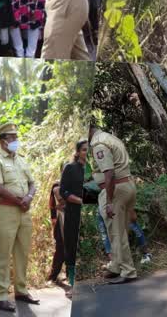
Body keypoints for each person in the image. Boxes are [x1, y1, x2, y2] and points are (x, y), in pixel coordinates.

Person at [0, 123, 39, 312]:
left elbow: (32, 183)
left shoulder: (21, 160)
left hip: (24, 211)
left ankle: (21, 291)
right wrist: (19, 201)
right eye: (12, 138)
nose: (16, 141)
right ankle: (1, 295)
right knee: (2, 254)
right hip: (5, 211)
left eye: (16, 137)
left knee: (22, 252)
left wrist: (29, 197)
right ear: (3, 141)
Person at [88, 125, 137, 284]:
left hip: (115, 190)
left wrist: (109, 201)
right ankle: (116, 266)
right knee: (119, 231)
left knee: (116, 233)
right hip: (126, 186)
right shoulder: (111, 138)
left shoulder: (99, 144)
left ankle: (127, 271)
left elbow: (109, 173)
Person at [59, 140, 87, 296]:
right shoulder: (70, 168)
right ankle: (72, 284)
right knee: (72, 248)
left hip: (89, 215)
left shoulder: (92, 170)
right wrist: (79, 200)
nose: (87, 153)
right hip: (73, 213)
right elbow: (63, 192)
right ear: (77, 152)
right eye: (84, 150)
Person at [47, 180, 66, 285]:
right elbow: (53, 203)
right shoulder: (57, 185)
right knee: (60, 248)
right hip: (61, 220)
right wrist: (54, 217)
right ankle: (53, 276)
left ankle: (70, 276)